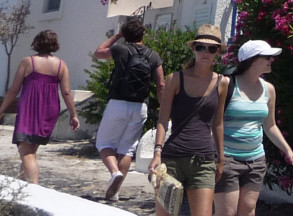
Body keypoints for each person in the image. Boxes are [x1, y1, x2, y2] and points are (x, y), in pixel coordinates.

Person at [206, 39, 293, 216]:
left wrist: (286, 149)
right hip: (227, 158)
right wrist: (218, 156)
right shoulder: (228, 85)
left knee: (248, 210)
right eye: (265, 57)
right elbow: (214, 121)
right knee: (226, 212)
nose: (271, 61)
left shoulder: (269, 89)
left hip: (255, 158)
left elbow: (269, 125)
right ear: (250, 60)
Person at [148, 29, 228, 216]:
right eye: (201, 47)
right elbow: (162, 118)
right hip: (172, 159)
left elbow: (218, 122)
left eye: (212, 49)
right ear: (193, 49)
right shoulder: (176, 79)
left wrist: (220, 157)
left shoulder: (222, 83)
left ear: (218, 54)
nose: (206, 53)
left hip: (204, 159)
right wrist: (157, 153)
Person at [92, 17, 168, 200]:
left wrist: (116, 36)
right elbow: (161, 84)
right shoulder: (153, 55)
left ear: (126, 35)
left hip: (118, 103)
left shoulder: (120, 49)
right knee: (127, 149)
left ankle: (114, 173)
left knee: (104, 144)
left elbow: (98, 53)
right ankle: (115, 192)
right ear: (143, 34)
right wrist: (163, 108)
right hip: (140, 106)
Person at [0, 30, 79, 183]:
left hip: (29, 109)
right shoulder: (61, 65)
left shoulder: (28, 62)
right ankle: (23, 188)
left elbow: (14, 89)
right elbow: (67, 92)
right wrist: (73, 115)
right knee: (31, 151)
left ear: (37, 42)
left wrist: (2, 109)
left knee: (26, 153)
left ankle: (34, 188)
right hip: (49, 110)